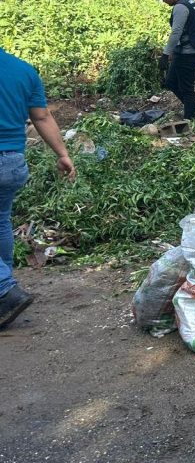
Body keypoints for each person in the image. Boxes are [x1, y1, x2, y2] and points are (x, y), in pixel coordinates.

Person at [0, 47, 76, 329]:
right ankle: (5, 287)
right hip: (12, 162)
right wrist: (63, 154)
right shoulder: (23, 70)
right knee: (1, 221)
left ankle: (5, 290)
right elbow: (42, 117)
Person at [152, 0, 195, 120]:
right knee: (171, 82)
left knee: (186, 87)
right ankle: (193, 109)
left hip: (189, 53)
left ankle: (191, 117)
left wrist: (165, 54)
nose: (164, 2)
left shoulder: (180, 7)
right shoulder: (191, 1)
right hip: (188, 50)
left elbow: (176, 32)